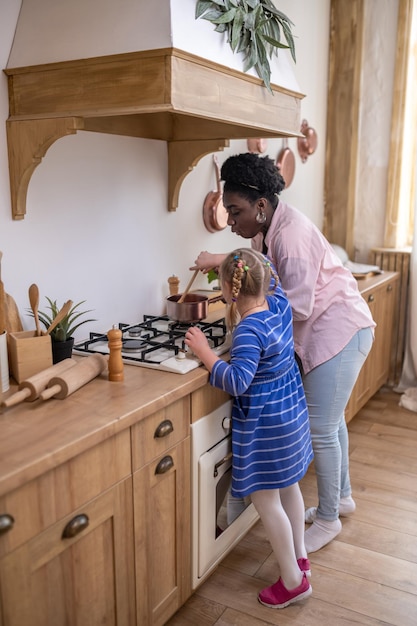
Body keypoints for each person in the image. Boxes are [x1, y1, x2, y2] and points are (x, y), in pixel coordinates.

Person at [191, 152, 376, 554]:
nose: (232, 222)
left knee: (321, 429)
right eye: (227, 212)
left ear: (260, 205)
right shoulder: (266, 227)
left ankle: (328, 520)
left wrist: (248, 326)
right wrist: (220, 260)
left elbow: (299, 307)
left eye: (235, 212)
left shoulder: (290, 237)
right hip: (334, 329)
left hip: (340, 332)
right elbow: (260, 268)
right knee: (333, 422)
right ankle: (340, 498)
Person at [185, 248, 313, 609]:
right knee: (289, 488)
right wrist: (225, 260)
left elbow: (238, 381)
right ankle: (300, 558)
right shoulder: (279, 304)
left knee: (265, 500)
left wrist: (205, 354)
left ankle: (292, 581)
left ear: (229, 289)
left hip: (266, 427)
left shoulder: (248, 331)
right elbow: (264, 263)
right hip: (290, 415)